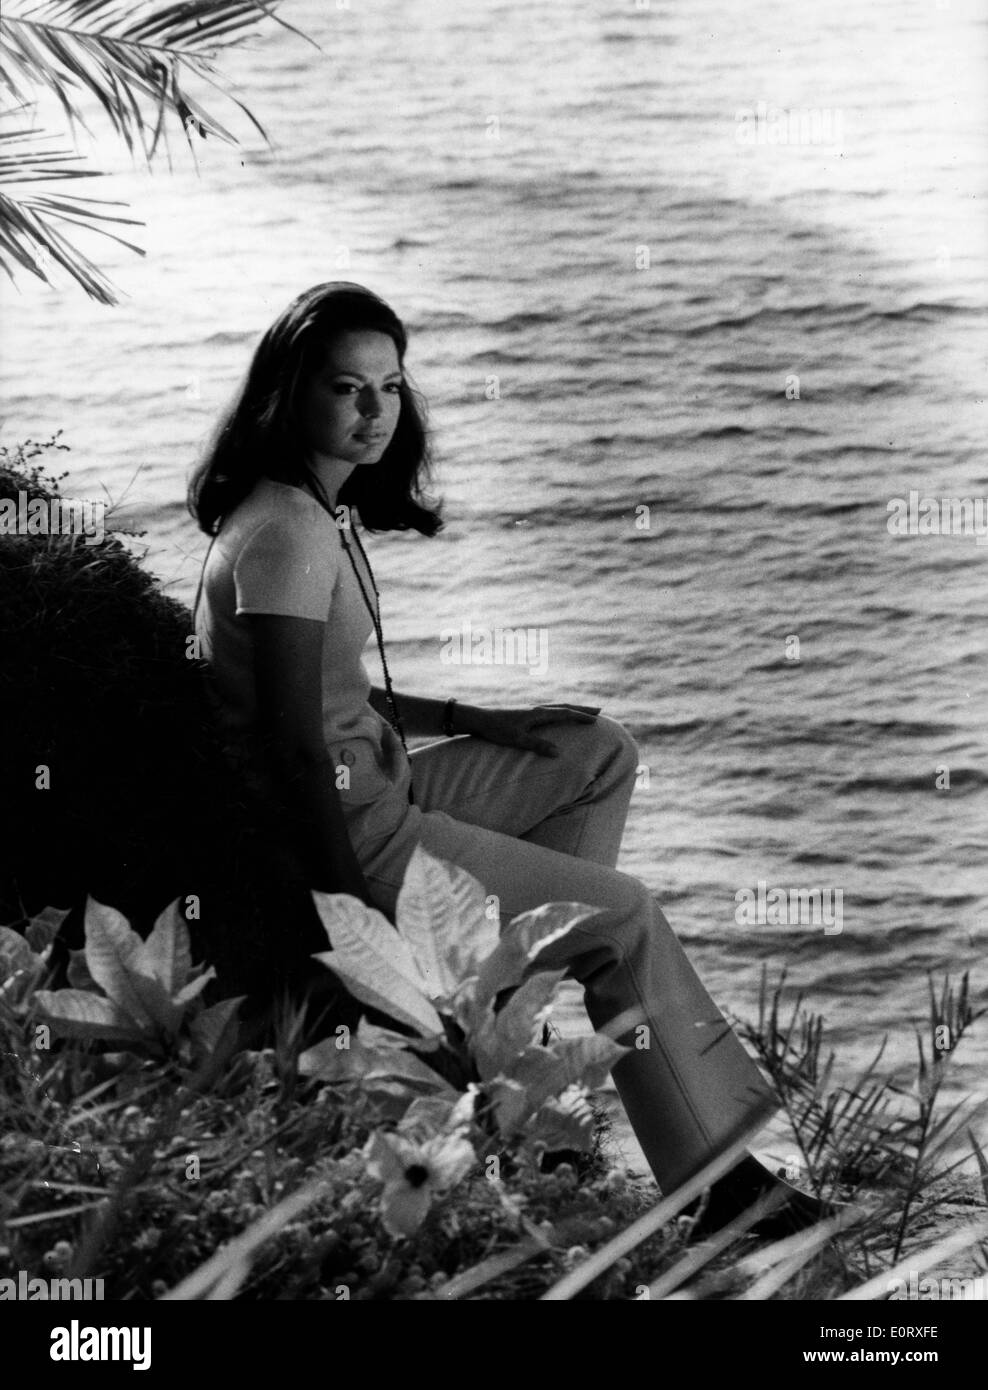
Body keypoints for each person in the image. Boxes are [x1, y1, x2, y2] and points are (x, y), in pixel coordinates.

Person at [189, 281, 830, 1233]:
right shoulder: (286, 534)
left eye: (391, 387)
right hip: (352, 831)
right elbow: (289, 744)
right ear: (290, 396)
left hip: (380, 788)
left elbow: (328, 690)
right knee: (626, 921)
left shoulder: (311, 510)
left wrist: (472, 713)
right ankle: (722, 1188)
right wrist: (349, 919)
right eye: (346, 389)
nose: (374, 412)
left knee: (594, 752)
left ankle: (496, 1036)